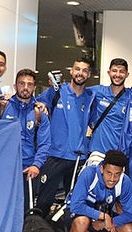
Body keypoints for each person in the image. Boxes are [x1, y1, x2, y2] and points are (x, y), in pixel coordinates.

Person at [35, 57, 94, 215]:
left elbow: (95, 123)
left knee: (73, 207)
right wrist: (40, 108)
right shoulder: (56, 92)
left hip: (77, 159)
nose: (80, 73)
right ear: (71, 71)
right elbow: (36, 108)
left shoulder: (90, 98)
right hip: (54, 156)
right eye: (77, 69)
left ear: (88, 74)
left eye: (84, 70)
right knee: (43, 202)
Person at [0, 69, 51, 209]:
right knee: (2, 209)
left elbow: (45, 144)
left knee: (25, 212)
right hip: (5, 170)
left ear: (34, 87)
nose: (25, 87)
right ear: (15, 86)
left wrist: (36, 165)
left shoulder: (39, 113)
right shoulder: (3, 107)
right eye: (21, 83)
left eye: (29, 84)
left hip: (28, 171)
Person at [88, 58, 132, 185]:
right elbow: (77, 93)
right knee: (92, 192)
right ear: (109, 72)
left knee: (116, 197)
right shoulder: (97, 92)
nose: (117, 75)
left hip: (120, 157)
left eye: (121, 71)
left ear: (127, 74)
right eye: (114, 71)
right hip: (98, 153)